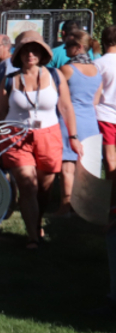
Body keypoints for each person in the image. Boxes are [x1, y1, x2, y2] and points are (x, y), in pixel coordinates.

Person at [0, 32, 83, 249]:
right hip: (15, 136)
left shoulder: (55, 75)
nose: (30, 54)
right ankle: (33, 236)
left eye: (35, 50)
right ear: (19, 54)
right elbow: (0, 113)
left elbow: (66, 107)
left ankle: (36, 221)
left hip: (49, 135)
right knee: (27, 184)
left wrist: (73, 137)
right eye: (25, 50)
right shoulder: (10, 79)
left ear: (42, 53)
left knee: (44, 188)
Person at [56, 31, 100, 216]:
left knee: (68, 166)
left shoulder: (67, 69)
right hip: (90, 122)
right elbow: (95, 100)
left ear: (79, 47)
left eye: (68, 45)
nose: (64, 48)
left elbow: (56, 96)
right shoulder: (96, 70)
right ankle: (86, 208)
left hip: (69, 121)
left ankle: (66, 206)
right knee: (87, 167)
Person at [93, 26, 116, 183]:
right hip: (106, 115)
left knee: (109, 158)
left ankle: (112, 195)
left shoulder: (98, 64)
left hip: (104, 115)